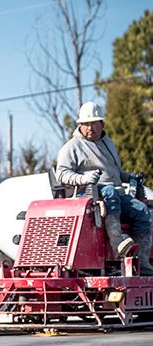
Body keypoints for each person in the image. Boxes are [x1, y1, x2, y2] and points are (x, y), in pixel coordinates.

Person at [55, 101, 152, 274]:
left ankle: (143, 263)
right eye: (85, 124)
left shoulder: (108, 144)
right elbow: (61, 174)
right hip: (88, 194)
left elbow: (113, 171)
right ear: (80, 125)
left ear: (102, 124)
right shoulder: (71, 147)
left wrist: (127, 176)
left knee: (142, 210)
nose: (89, 128)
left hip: (113, 193)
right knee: (110, 191)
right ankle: (118, 244)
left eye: (93, 123)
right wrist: (83, 178)